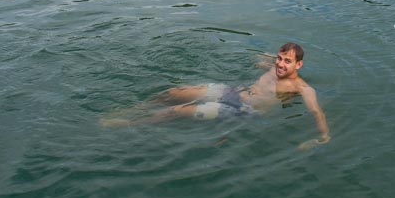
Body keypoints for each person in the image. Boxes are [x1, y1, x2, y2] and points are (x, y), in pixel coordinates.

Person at [102, 42, 330, 150]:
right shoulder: (274, 66)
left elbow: (316, 112)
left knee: (179, 111)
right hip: (232, 91)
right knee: (172, 93)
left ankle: (130, 123)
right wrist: (263, 58)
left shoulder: (302, 89)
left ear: (299, 64)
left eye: (287, 61)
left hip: (241, 110)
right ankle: (132, 108)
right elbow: (263, 58)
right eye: (280, 58)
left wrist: (321, 138)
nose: (280, 64)